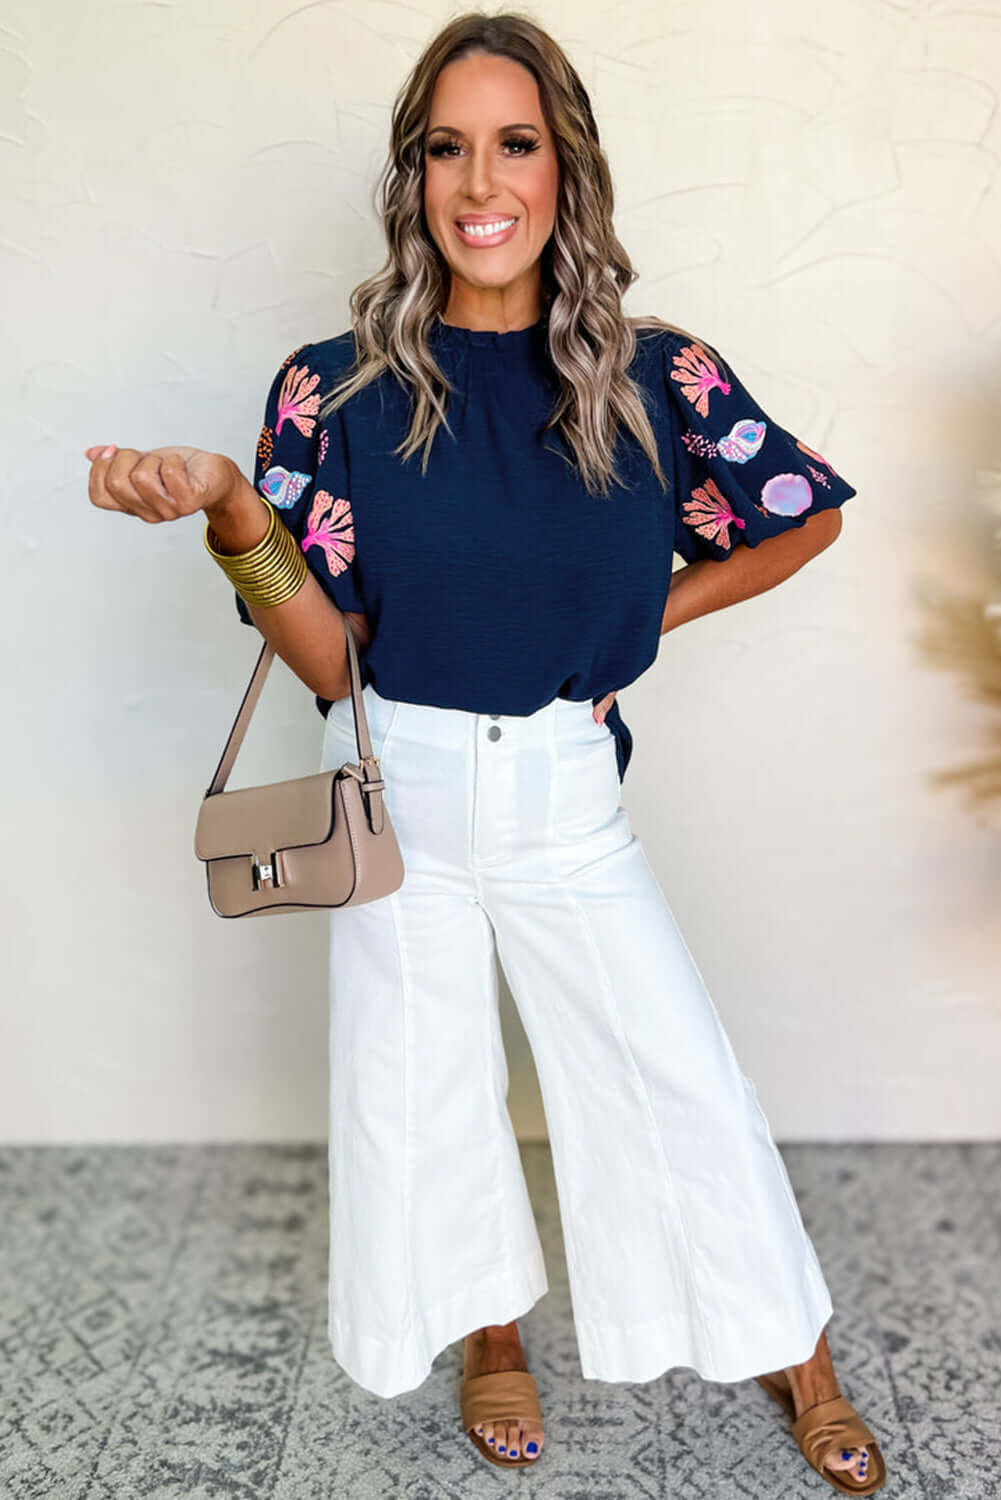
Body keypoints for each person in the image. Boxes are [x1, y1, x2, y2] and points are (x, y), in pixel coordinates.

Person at [85, 11, 885, 1494]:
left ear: (564, 167)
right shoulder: (329, 386)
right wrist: (227, 511)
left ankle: (802, 1355)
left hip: (566, 799)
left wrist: (655, 608)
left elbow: (805, 513)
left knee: (676, 1083)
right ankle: (488, 1339)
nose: (480, 180)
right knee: (420, 1094)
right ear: (412, 178)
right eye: (445, 146)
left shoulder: (660, 373)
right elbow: (332, 661)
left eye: (513, 142)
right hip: (401, 795)